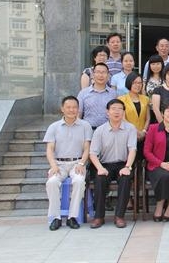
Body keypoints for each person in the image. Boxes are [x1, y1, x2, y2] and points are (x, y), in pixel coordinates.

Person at [44, 96, 92, 231]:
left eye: (74, 107)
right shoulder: (54, 127)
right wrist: (53, 165)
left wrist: (82, 163)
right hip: (59, 164)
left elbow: (87, 148)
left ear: (78, 109)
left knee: (79, 181)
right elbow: (49, 149)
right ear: (62, 109)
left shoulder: (85, 126)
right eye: (68, 107)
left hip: (77, 162)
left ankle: (72, 216)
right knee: (51, 182)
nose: (72, 110)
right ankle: (56, 217)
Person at [88, 99, 137, 229]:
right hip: (105, 164)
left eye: (120, 109)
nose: (117, 112)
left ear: (124, 112)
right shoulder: (100, 130)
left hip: (123, 164)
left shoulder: (130, 128)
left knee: (126, 178)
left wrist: (127, 167)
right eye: (113, 109)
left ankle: (119, 216)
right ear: (107, 112)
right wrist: (100, 168)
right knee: (99, 179)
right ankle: (99, 216)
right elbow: (92, 153)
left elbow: (132, 149)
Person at [118, 72, 150, 162]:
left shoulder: (145, 99)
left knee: (141, 160)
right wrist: (135, 131)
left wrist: (143, 131)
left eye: (140, 83)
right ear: (129, 83)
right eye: (134, 83)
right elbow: (122, 118)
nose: (137, 85)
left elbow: (148, 118)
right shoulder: (121, 99)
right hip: (127, 135)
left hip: (143, 136)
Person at [77, 62, 117, 130]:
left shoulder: (113, 94)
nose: (100, 75)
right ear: (93, 75)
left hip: (108, 131)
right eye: (98, 72)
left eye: (103, 72)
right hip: (88, 130)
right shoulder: (83, 93)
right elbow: (78, 114)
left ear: (108, 76)